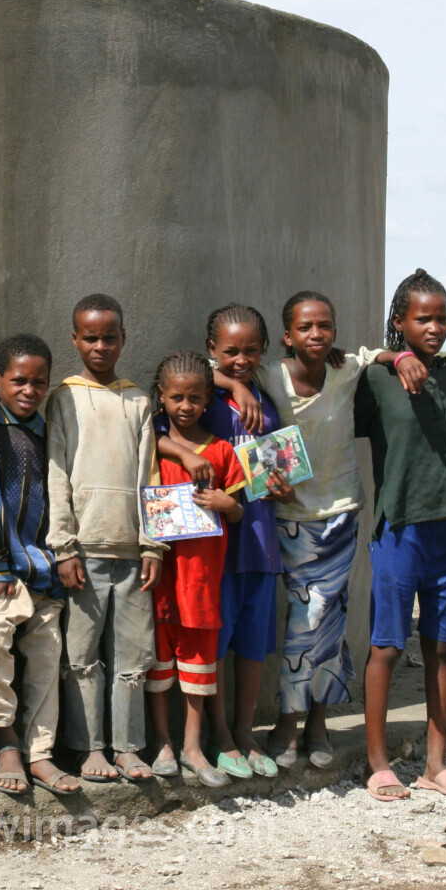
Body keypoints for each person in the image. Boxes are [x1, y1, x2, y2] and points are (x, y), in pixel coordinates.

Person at [218, 292, 423, 771]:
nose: (316, 335)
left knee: (330, 615)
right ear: (287, 336)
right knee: (304, 618)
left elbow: (376, 355)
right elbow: (212, 368)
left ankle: (317, 721)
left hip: (341, 512)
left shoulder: (346, 370)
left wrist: (404, 355)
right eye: (306, 328)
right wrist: (239, 388)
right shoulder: (269, 377)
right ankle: (291, 720)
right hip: (290, 517)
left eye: (325, 326)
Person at [353, 269, 446, 801]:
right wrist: (389, 356)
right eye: (424, 318)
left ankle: (437, 763)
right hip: (399, 528)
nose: (435, 327)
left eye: (442, 317)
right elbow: (353, 364)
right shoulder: (377, 379)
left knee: (442, 648)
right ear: (400, 322)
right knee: (387, 646)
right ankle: (378, 763)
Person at [155, 304, 284, 778]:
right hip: (213, 547)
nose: (241, 360)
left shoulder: (265, 396)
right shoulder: (206, 397)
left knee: (252, 644)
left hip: (260, 535)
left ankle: (245, 731)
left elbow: (271, 465)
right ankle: (221, 734)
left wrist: (281, 483)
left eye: (251, 351)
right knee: (216, 642)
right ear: (213, 352)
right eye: (230, 353)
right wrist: (230, 385)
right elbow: (157, 432)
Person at [47, 293, 165, 783]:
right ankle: (88, 747)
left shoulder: (137, 400)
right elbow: (56, 473)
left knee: (134, 654)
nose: (100, 346)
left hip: (133, 551)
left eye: (109, 338)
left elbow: (150, 475)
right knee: (81, 654)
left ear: (123, 339)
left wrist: (154, 543)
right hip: (83, 551)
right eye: (90, 337)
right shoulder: (63, 397)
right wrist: (63, 545)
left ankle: (128, 747)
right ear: (75, 340)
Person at [0, 334, 81, 797]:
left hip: (45, 568)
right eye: (18, 381)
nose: (29, 391)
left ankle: (40, 754)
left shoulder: (49, 433)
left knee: (45, 655)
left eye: (39, 382)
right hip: (0, 570)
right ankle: (6, 744)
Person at [143, 351, 247, 788]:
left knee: (199, 663)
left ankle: (192, 746)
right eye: (177, 398)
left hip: (203, 580)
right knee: (160, 661)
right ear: (162, 399)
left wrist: (228, 506)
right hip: (161, 578)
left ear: (208, 401)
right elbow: (149, 436)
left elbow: (241, 511)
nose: (185, 406)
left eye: (195, 398)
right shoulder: (153, 446)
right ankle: (161, 743)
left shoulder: (223, 451)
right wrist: (179, 449)